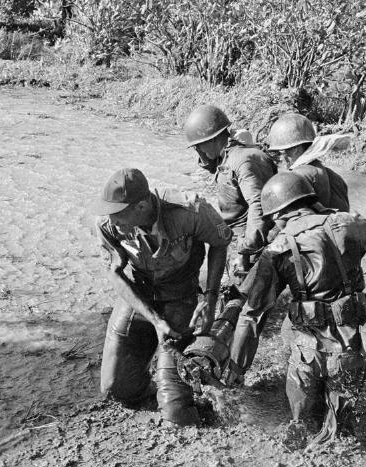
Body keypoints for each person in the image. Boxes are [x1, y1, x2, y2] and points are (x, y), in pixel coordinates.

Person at [230, 172, 366, 445]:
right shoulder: (348, 223)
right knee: (343, 428)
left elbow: (252, 316)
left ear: (278, 214)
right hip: (351, 348)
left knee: (301, 426)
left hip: (306, 355)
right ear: (310, 200)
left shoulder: (277, 249)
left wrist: (236, 370)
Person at [96, 168, 231, 425]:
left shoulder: (190, 211)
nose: (112, 221)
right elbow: (115, 274)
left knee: (177, 414)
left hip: (181, 297)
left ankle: (190, 385)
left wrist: (210, 299)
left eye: (118, 214)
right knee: (117, 390)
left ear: (141, 206)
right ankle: (153, 382)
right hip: (138, 297)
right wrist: (155, 320)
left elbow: (220, 243)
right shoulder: (108, 225)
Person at [183, 105, 277, 277]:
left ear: (213, 139)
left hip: (252, 241)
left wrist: (246, 249)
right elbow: (216, 169)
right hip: (239, 237)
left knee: (244, 290)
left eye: (200, 145)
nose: (199, 150)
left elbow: (259, 203)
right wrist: (203, 154)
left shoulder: (243, 161)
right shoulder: (228, 157)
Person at [266, 113, 351, 212]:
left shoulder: (297, 177)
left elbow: (293, 215)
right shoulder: (331, 174)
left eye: (282, 153)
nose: (281, 158)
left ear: (296, 150)